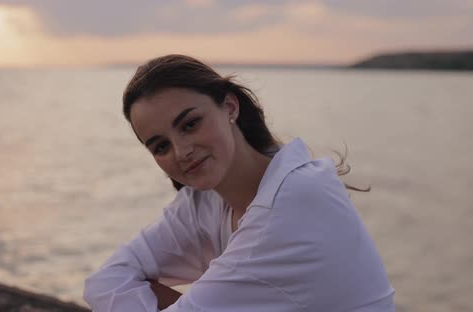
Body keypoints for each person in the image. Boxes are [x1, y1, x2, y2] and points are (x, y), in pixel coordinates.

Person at [83, 54, 395, 311]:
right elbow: (105, 281)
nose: (181, 152)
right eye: (160, 146)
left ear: (230, 107)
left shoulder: (293, 200)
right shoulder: (205, 200)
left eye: (190, 124)